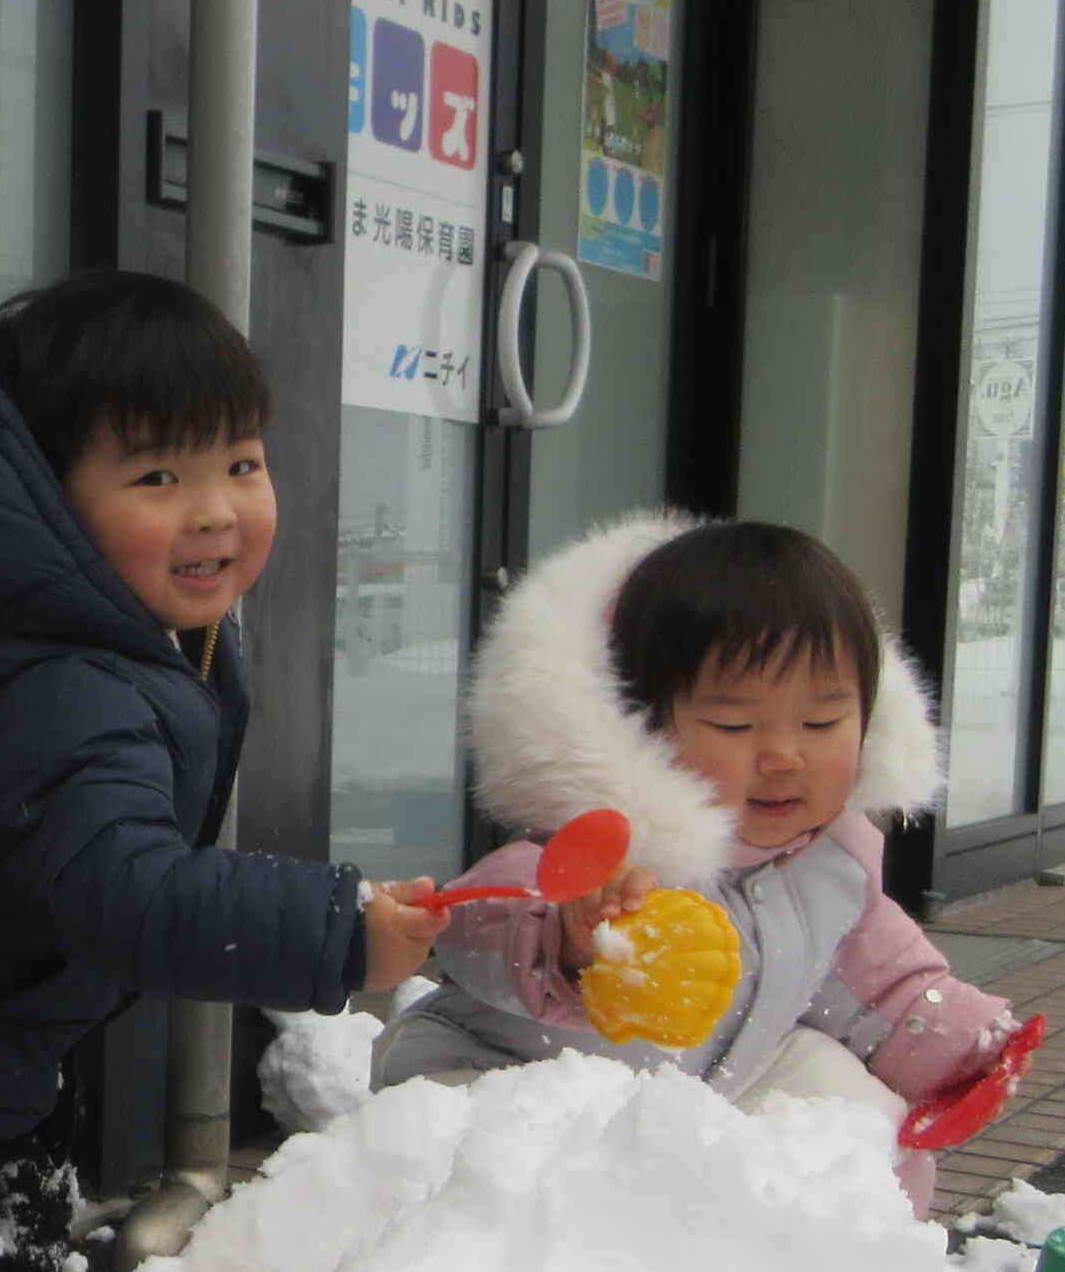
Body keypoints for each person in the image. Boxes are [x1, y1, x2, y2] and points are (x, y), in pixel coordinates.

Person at [0, 269, 453, 1272]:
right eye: (159, 475)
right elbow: (117, 886)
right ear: (50, 496)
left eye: (241, 463)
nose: (216, 510)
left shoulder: (122, 628)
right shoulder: (41, 673)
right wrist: (336, 930)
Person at [369, 514, 1021, 1213]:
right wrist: (568, 939)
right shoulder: (601, 851)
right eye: (736, 726)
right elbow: (477, 925)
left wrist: (967, 1047)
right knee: (504, 1175)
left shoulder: (834, 863)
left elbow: (887, 984)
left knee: (862, 1123)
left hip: (712, 1082)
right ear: (642, 724)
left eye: (822, 722)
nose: (783, 756)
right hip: (507, 1085)